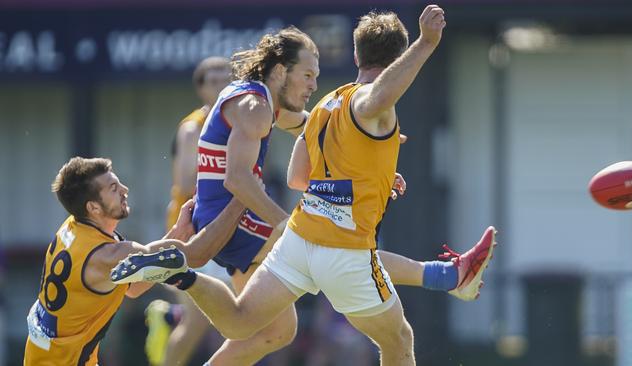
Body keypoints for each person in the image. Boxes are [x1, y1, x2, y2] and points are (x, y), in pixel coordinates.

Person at [112, 6, 497, 366]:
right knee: (399, 337)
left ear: (356, 56)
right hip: (332, 248)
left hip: (299, 242)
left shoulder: (326, 106)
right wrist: (426, 44)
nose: (313, 82)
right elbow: (379, 95)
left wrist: (373, 174)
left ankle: (181, 272)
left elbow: (300, 176)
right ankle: (452, 277)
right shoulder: (362, 100)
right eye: (307, 74)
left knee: (242, 322)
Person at [23, 157, 244, 366]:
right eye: (113, 188)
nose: (124, 190)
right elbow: (196, 254)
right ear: (93, 207)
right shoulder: (109, 255)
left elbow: (133, 288)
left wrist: (178, 232)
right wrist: (240, 201)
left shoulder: (73, 225)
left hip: (40, 356)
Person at [145, 56, 233, 366]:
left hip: (225, 233)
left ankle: (170, 316)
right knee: (200, 324)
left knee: (237, 318)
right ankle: (170, 321)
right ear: (201, 89)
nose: (222, 83)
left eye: (228, 77)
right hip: (195, 235)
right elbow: (185, 182)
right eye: (214, 79)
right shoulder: (193, 128)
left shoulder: (239, 121)